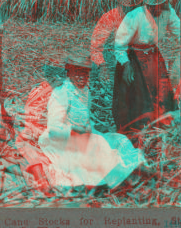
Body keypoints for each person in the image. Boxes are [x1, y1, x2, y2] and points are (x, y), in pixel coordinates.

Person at [38, 53, 147, 191]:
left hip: (84, 136)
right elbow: (54, 128)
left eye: (85, 72)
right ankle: (108, 181)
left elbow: (88, 122)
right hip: (63, 140)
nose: (81, 76)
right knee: (97, 146)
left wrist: (96, 132)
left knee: (118, 139)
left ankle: (127, 174)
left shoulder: (85, 91)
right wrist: (78, 132)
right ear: (68, 71)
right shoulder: (61, 93)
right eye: (77, 72)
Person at [113, 0, 180, 136]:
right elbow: (120, 44)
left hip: (154, 55)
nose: (161, 8)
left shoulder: (167, 12)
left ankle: (162, 125)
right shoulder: (134, 17)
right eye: (157, 6)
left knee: (162, 90)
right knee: (136, 94)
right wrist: (126, 64)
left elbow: (178, 30)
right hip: (132, 58)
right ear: (148, 6)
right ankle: (135, 130)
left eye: (163, 4)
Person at [90, 0, 144, 132]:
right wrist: (102, 66)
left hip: (138, 58)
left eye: (134, 6)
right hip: (118, 60)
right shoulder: (110, 17)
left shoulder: (142, 16)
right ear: (119, 3)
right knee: (121, 100)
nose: (131, 9)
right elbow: (96, 46)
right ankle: (123, 129)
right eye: (127, 6)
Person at [16, 63, 66, 194]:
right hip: (38, 134)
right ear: (50, 76)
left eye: (62, 75)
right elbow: (32, 118)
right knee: (30, 148)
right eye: (56, 75)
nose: (60, 79)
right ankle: (41, 179)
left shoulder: (64, 92)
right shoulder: (39, 92)